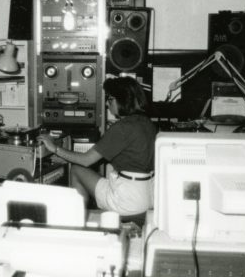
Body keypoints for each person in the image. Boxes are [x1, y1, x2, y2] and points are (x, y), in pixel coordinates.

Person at [37, 76, 157, 216]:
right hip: (148, 195)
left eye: (110, 99)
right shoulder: (147, 123)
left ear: (122, 100)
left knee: (77, 170)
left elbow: (85, 160)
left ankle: (75, 219)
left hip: (128, 200)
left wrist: (54, 148)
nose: (107, 104)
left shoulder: (122, 128)